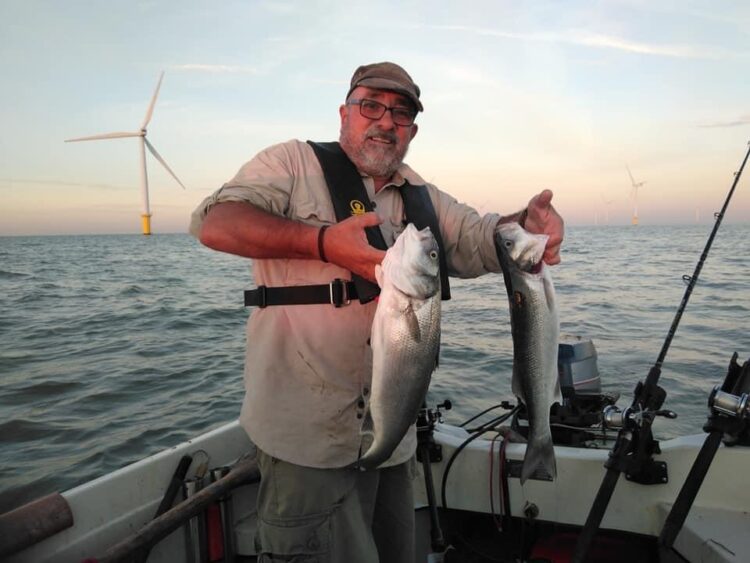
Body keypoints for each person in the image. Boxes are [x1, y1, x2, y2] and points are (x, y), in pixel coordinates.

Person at [190, 61, 564, 563]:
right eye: (372, 105)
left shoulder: (422, 196)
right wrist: (321, 241)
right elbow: (218, 224)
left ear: (412, 130)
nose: (386, 121)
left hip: (396, 439)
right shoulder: (291, 163)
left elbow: (483, 235)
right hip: (308, 439)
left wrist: (526, 223)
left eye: (402, 113)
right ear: (345, 112)